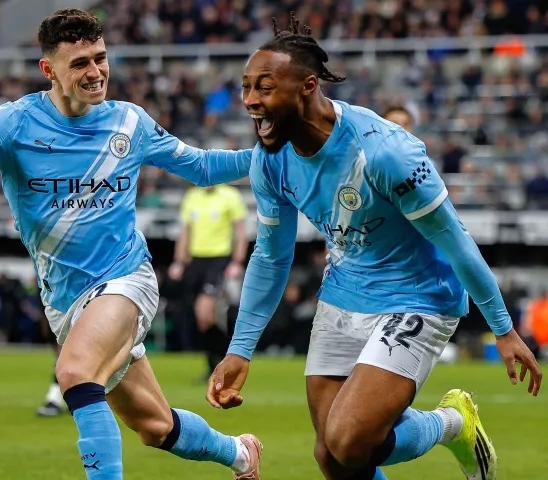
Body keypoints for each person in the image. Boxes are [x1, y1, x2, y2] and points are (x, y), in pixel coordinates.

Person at [0, 9, 262, 480]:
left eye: (100, 58)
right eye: (80, 63)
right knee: (156, 427)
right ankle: (241, 454)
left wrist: (271, 153)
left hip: (125, 278)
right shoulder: (13, 123)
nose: (96, 71)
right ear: (49, 69)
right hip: (65, 300)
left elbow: (202, 166)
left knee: (75, 373)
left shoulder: (129, 122)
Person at [206, 13, 542, 480]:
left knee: (350, 440)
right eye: (246, 88)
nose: (250, 101)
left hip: (417, 295)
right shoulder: (270, 160)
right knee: (332, 457)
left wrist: (502, 328)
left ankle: (452, 422)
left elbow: (454, 237)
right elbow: (271, 256)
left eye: (264, 88)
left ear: (307, 87)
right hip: (343, 293)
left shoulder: (383, 153)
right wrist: (240, 349)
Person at [168, 184, 248, 379]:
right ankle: (217, 364)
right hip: (196, 263)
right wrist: (179, 261)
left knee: (204, 313)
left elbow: (240, 232)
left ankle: (226, 358)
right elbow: (185, 232)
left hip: (219, 261)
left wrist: (237, 262)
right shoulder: (192, 196)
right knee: (202, 320)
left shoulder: (230, 195)